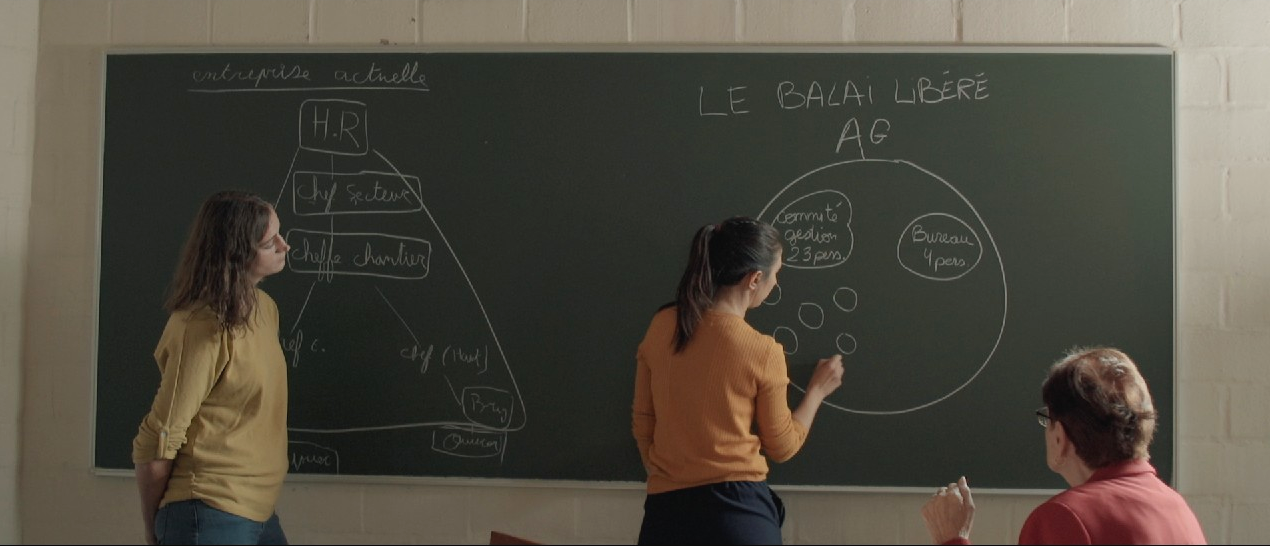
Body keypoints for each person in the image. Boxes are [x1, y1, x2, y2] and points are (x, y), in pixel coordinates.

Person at [632, 216, 846, 545]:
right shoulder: (762, 351)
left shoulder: (662, 325)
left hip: (666, 514)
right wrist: (817, 391)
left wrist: (670, 472)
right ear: (754, 279)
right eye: (776, 275)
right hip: (738, 514)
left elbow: (644, 423)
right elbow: (782, 445)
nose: (775, 284)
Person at [132, 190, 292, 545]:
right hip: (207, 510)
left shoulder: (265, 309)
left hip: (258, 510)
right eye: (269, 243)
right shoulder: (201, 325)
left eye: (281, 234)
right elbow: (160, 436)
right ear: (237, 255)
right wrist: (152, 528)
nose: (285, 246)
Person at [921, 347, 1207, 545]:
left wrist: (953, 540)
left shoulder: (1065, 517)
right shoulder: (1175, 506)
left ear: (1061, 437)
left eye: (1048, 419)